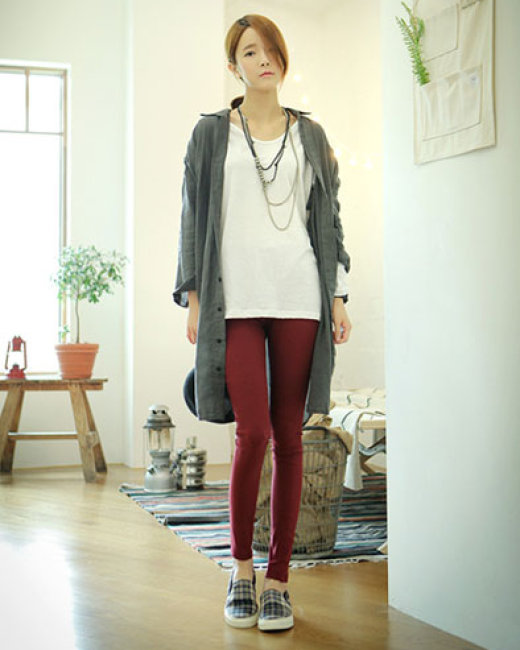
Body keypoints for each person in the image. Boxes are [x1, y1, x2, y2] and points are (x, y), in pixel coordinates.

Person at [173, 14, 352, 632]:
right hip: (236, 299)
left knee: (289, 435)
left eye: (271, 49)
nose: (264, 59)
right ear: (234, 66)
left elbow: (328, 218)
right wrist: (194, 297)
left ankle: (278, 580)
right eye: (251, 52)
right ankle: (241, 570)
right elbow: (192, 215)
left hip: (300, 293)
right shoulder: (210, 134)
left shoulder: (311, 135)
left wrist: (338, 296)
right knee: (251, 434)